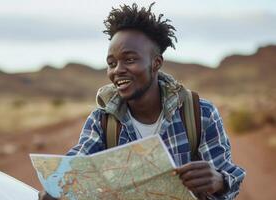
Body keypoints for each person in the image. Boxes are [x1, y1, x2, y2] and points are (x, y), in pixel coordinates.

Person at [40, 3, 245, 200]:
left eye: (129, 59)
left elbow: (229, 180)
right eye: (112, 63)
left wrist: (219, 181)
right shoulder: (102, 121)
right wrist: (57, 186)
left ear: (156, 63)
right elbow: (75, 165)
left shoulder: (200, 113)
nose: (118, 69)